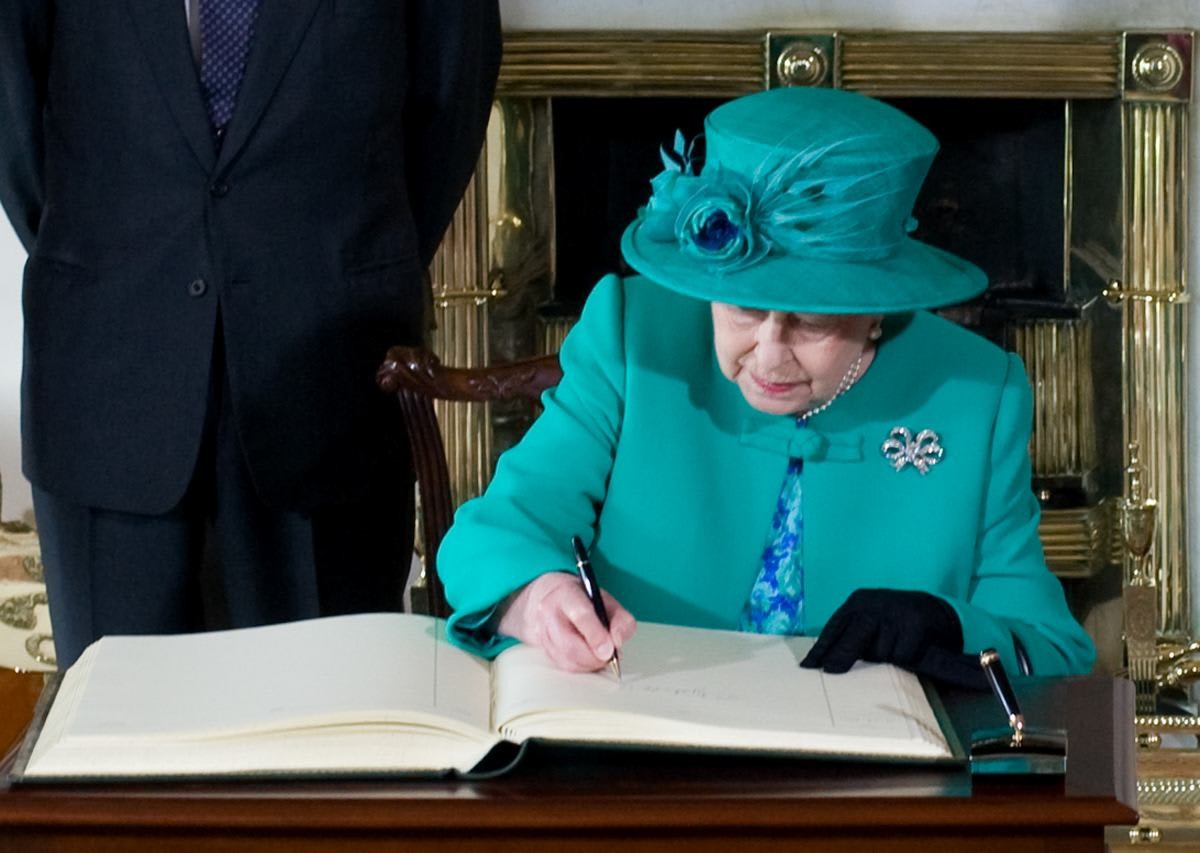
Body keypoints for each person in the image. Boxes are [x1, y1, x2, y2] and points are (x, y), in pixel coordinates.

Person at [437, 86, 1095, 683]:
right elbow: (489, 535)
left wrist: (948, 626)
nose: (769, 352)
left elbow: (1053, 650)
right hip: (642, 750)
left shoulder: (976, 391)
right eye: (745, 310)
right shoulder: (632, 335)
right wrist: (539, 595)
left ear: (878, 309)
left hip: (864, 787)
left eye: (811, 322)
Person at [0, 1, 500, 668]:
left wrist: (338, 262)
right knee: (117, 750)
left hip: (333, 372)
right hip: (107, 372)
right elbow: (12, 99)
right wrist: (111, 259)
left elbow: (451, 87)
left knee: (327, 744)